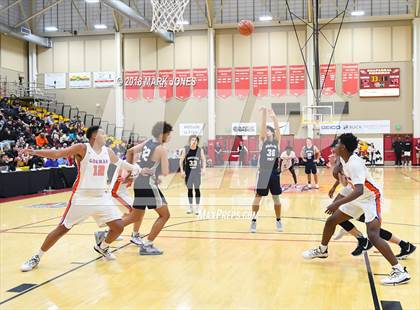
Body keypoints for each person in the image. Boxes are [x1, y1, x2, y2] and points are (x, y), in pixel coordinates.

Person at [19, 126, 142, 272]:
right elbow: (57, 154)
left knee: (118, 227)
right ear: (94, 136)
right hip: (82, 198)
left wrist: (136, 168)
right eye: (102, 133)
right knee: (62, 229)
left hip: (101, 197)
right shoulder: (82, 148)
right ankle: (37, 257)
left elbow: (120, 163)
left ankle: (102, 247)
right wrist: (34, 152)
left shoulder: (107, 151)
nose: (105, 135)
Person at [302, 133, 410, 286]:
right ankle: (322, 249)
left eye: (337, 144)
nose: (334, 147)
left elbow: (359, 190)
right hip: (357, 196)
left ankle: (399, 271)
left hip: (371, 198)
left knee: (373, 235)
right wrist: (336, 175)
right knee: (332, 220)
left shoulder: (354, 163)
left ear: (344, 147)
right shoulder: (345, 160)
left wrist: (337, 204)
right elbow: (342, 179)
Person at [111, 121, 173, 255]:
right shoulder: (161, 149)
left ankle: (105, 233)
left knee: (134, 216)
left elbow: (130, 151)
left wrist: (129, 171)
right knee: (165, 215)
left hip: (138, 181)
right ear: (162, 134)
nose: (170, 137)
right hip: (148, 184)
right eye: (168, 134)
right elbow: (166, 171)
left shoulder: (148, 142)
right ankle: (148, 244)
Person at [250, 107, 283, 233]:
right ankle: (253, 221)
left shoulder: (277, 142)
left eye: (270, 130)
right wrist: (264, 114)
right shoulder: (262, 142)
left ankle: (278, 220)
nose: (267, 131)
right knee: (258, 197)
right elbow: (262, 129)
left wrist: (273, 116)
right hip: (263, 173)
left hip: (274, 173)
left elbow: (278, 131)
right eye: (266, 130)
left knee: (276, 199)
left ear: (272, 133)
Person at [179, 135, 206, 215]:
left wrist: (204, 168)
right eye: (192, 140)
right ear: (189, 141)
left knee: (197, 189)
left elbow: (204, 160)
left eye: (195, 140)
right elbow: (181, 161)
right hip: (188, 173)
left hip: (197, 173)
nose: (194, 141)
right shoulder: (185, 149)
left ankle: (197, 208)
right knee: (189, 190)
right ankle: (190, 207)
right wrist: (181, 170)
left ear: (197, 142)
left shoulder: (200, 150)